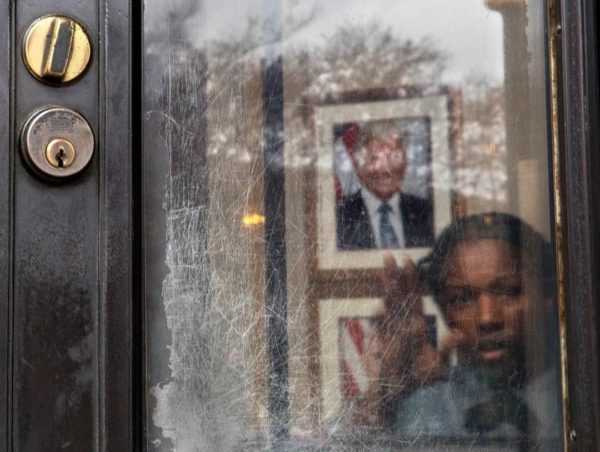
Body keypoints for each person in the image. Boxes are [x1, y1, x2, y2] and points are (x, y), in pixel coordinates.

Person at [350, 212, 562, 448]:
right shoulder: (429, 406)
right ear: (444, 310)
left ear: (548, 298)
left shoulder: (580, 394)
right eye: (461, 299)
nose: (487, 318)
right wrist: (389, 391)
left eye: (509, 292)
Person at [335, 120, 433, 250]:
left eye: (394, 157)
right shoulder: (339, 218)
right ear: (359, 167)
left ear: (405, 163)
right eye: (374, 159)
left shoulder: (426, 212)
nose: (385, 169)